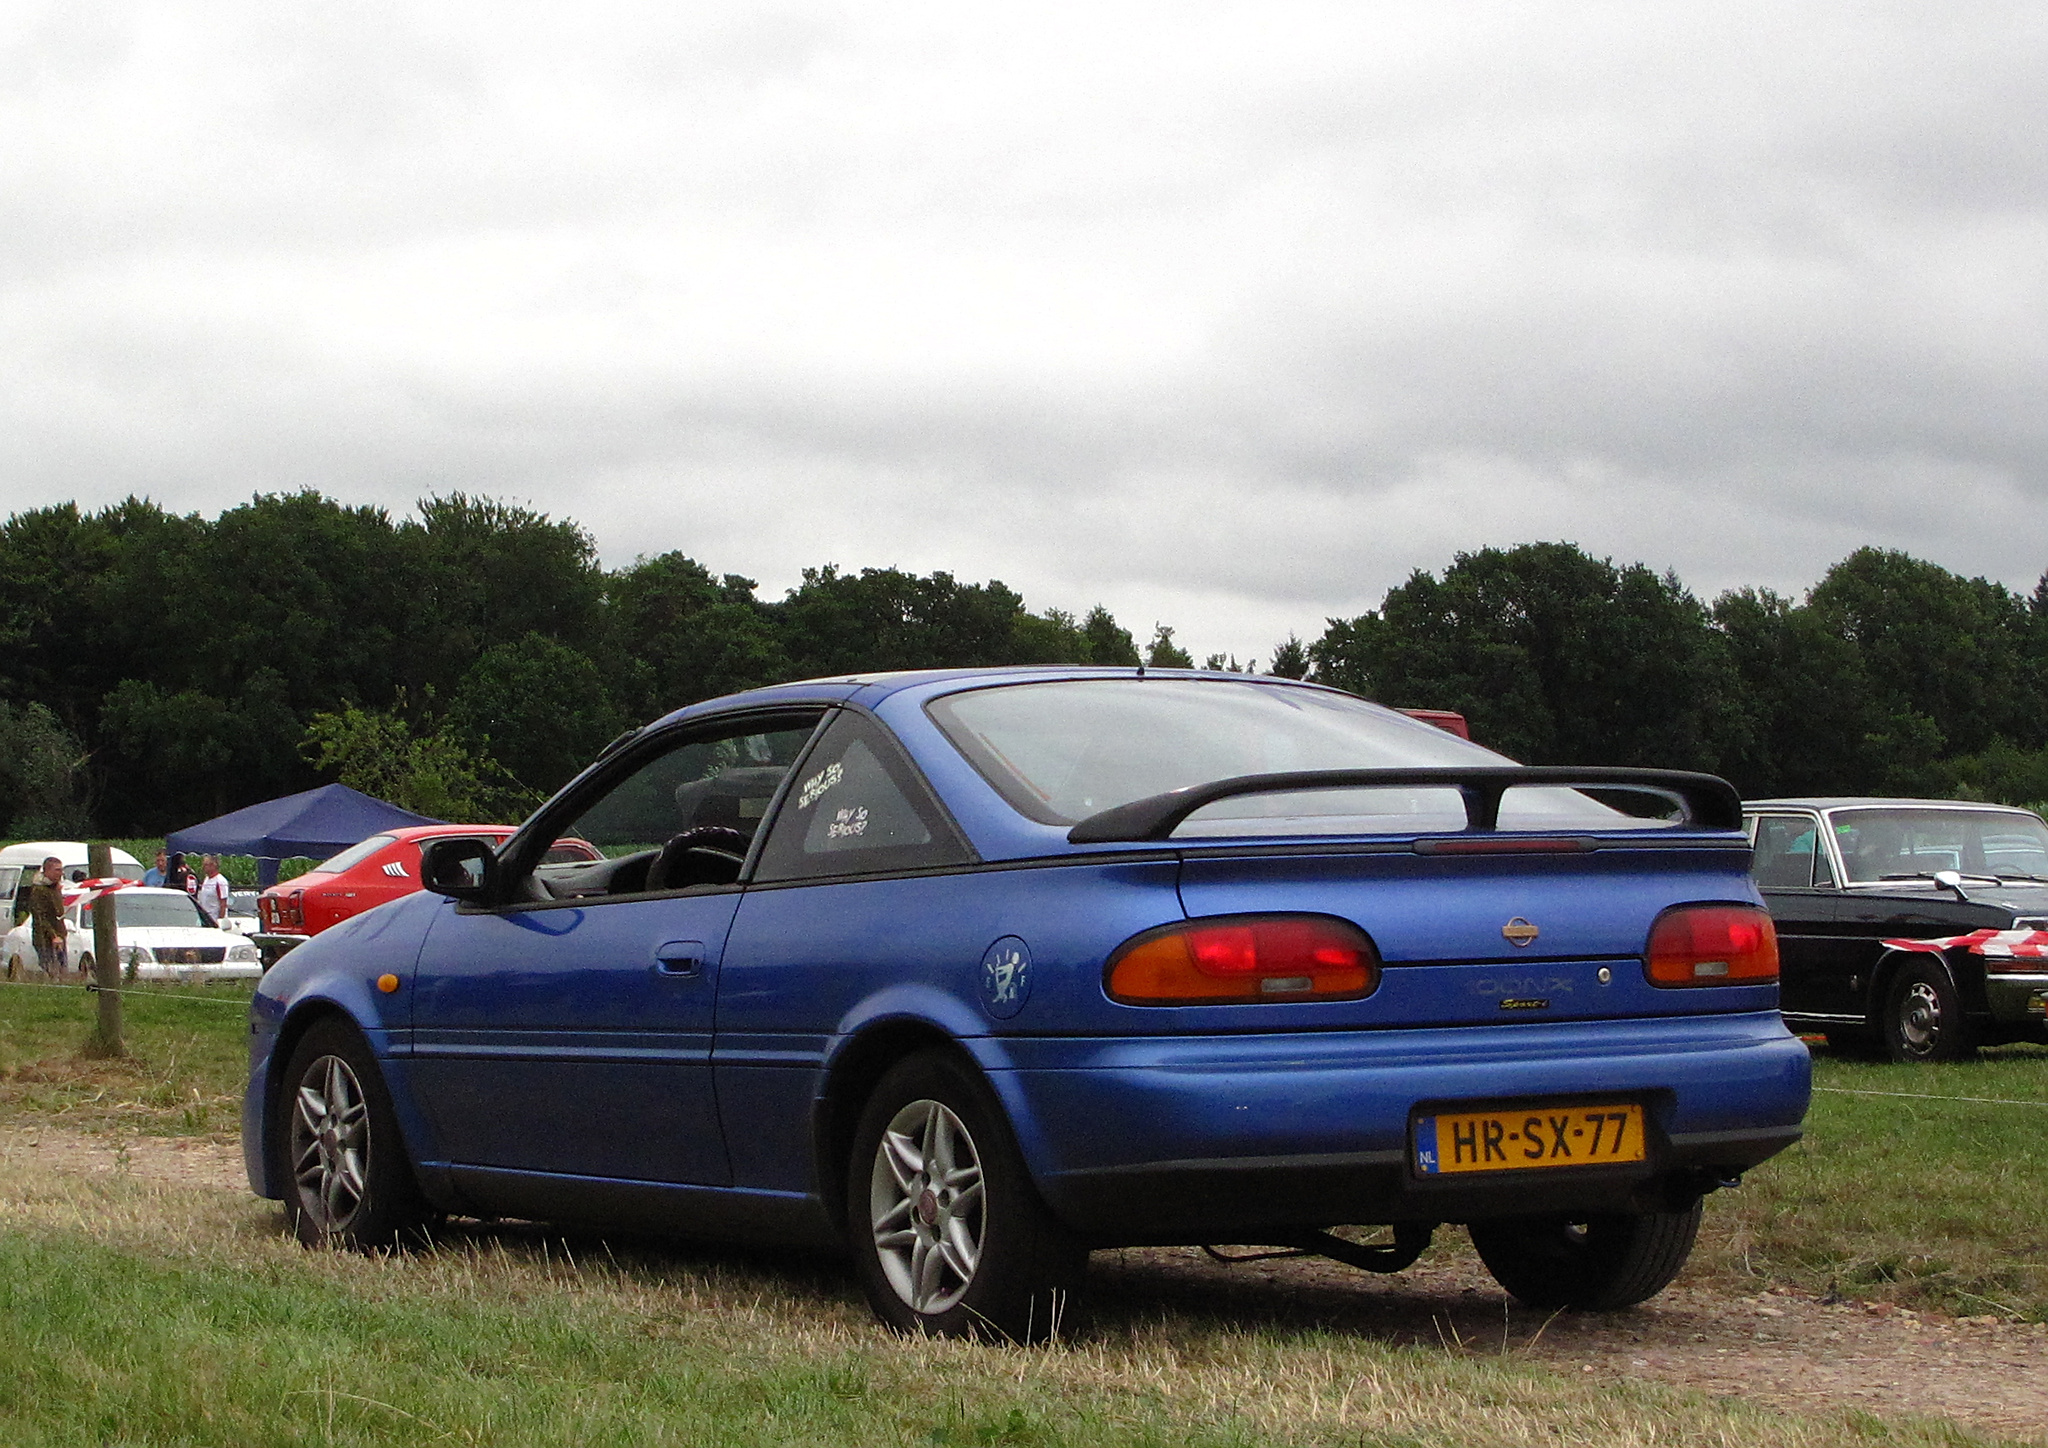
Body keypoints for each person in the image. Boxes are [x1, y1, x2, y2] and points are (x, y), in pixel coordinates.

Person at [28, 856, 68, 980]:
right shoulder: (39, 890)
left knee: (62, 969)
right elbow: (40, 916)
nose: (61, 873)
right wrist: (53, 936)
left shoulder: (55, 888)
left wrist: (61, 934)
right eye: (57, 870)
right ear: (47, 871)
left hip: (60, 935)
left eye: (61, 870)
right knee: (50, 970)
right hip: (45, 937)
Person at [197, 856, 231, 927]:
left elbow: (223, 904)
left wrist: (219, 921)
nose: (203, 867)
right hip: (205, 919)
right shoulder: (206, 879)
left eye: (206, 865)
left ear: (213, 865)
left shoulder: (220, 881)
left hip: (214, 919)